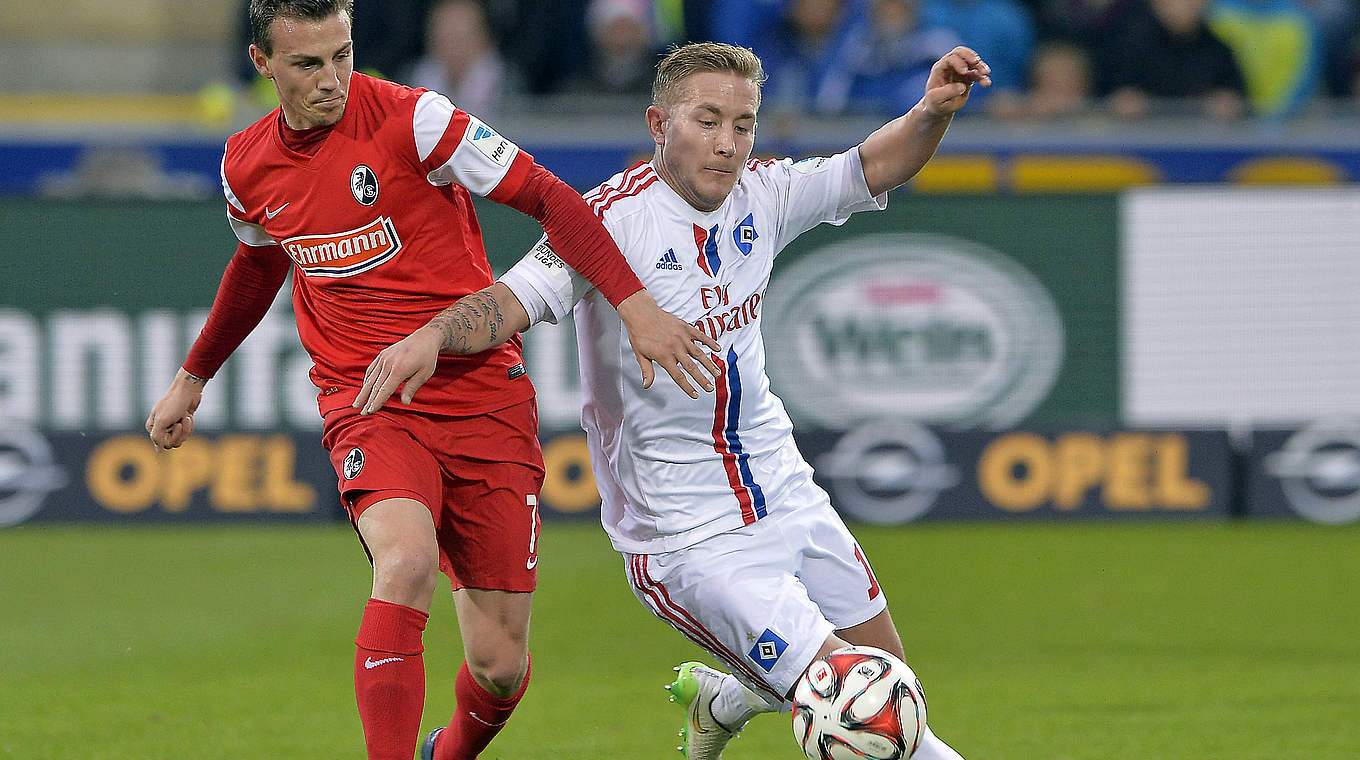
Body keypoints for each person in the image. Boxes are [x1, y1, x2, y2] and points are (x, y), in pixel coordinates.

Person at [354, 41, 987, 759]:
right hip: (687, 536)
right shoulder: (607, 223)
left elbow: (874, 164)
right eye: (707, 121)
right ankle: (747, 690)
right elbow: (510, 300)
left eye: (742, 125)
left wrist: (932, 110)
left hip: (784, 489)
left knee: (890, 682)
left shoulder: (765, 194)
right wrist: (435, 334)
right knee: (865, 715)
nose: (726, 145)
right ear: (660, 124)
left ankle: (726, 695)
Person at [144, 3, 720, 760]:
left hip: (482, 392)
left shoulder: (418, 122)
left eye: (342, 55)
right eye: (307, 64)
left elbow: (551, 198)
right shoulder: (246, 166)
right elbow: (259, 265)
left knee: (500, 664)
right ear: (262, 64)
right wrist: (193, 377)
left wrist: (634, 305)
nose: (332, 79)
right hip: (369, 398)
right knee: (406, 560)